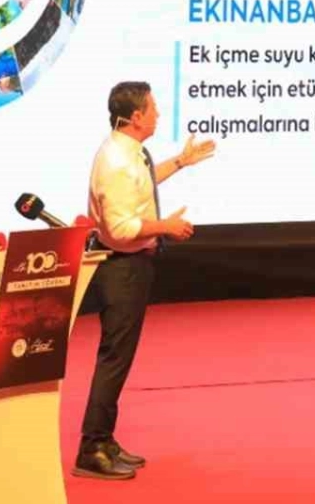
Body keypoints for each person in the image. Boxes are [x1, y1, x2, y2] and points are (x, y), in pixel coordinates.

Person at [74, 81, 216, 480]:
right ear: (136, 117)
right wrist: (165, 226)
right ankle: (91, 448)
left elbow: (144, 182)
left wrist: (182, 162)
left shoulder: (129, 152)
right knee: (114, 359)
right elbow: (120, 229)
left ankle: (104, 439)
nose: (158, 114)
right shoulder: (116, 162)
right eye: (153, 108)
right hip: (122, 267)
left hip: (132, 266)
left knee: (119, 358)